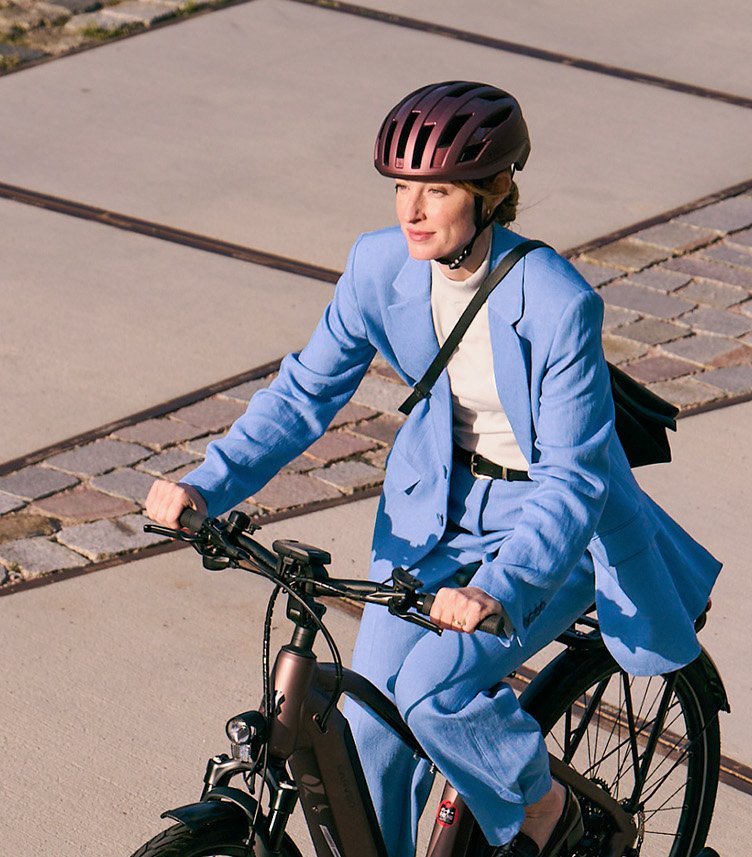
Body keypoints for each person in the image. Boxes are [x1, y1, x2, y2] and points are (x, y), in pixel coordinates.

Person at [146, 81, 721, 857]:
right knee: (371, 731)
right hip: (432, 513)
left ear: (496, 191)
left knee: (433, 691)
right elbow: (305, 392)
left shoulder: (557, 304)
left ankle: (548, 812)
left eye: (437, 190)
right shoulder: (379, 267)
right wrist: (205, 484)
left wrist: (498, 590)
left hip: (546, 530)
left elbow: (576, 481)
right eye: (401, 188)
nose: (411, 211)